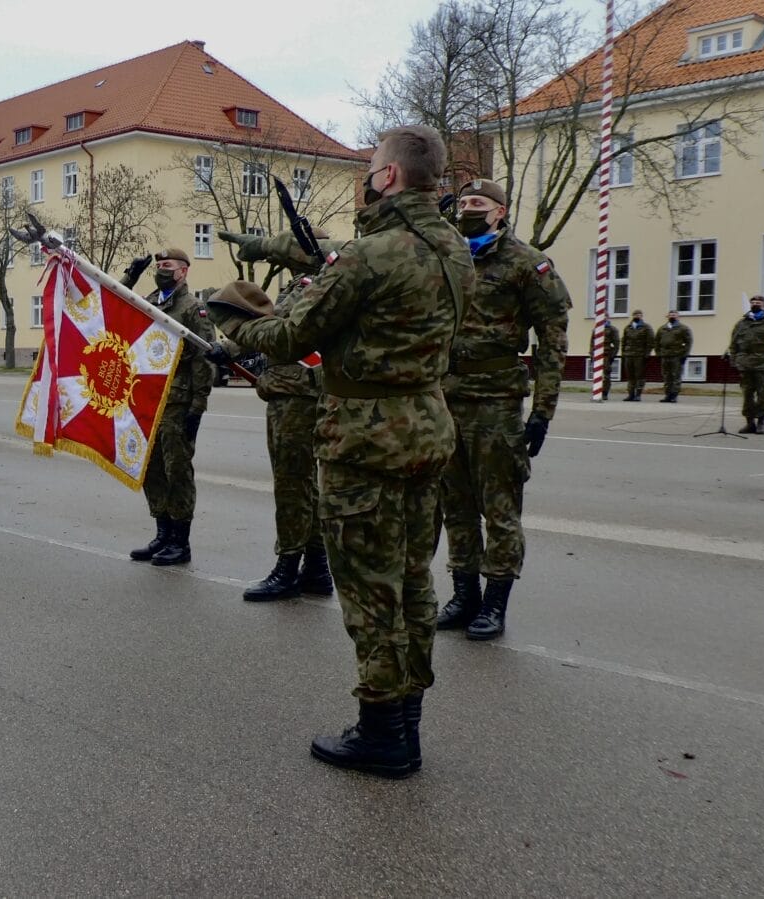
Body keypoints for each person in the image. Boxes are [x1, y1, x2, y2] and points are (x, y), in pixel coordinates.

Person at [208, 125, 473, 778]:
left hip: (366, 440)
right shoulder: (454, 248)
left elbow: (291, 337)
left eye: (372, 167)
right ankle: (406, 721)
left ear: (390, 176)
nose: (367, 177)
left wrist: (233, 319)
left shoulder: (371, 255)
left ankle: (382, 732)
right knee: (412, 581)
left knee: (370, 592)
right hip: (425, 429)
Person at [433, 179, 571, 642]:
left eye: (478, 203)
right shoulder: (449, 256)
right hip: (447, 397)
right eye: (464, 202)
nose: (468, 209)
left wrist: (543, 410)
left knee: (500, 509)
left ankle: (495, 603)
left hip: (496, 402)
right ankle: (464, 594)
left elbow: (553, 340)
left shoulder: (527, 263)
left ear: (500, 211)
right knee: (455, 505)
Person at [216, 229, 337, 602]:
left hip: (299, 395)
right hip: (288, 391)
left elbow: (284, 330)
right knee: (303, 485)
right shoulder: (300, 285)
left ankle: (288, 566)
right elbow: (273, 327)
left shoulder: (319, 284)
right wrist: (230, 349)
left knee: (292, 484)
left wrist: (233, 344)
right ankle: (316, 567)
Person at [118, 247, 217, 567]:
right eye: (159, 265)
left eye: (168, 265)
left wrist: (197, 407)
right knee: (152, 467)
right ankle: (162, 532)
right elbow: (117, 304)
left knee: (177, 470)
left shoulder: (193, 308)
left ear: (183, 271)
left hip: (178, 401)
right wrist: (131, 275)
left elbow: (203, 360)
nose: (161, 269)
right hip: (147, 399)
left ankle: (180, 540)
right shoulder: (151, 302)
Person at [728, 295, 764, 434]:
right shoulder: (742, 323)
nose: (755, 304)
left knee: (762, 394)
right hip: (744, 363)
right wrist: (734, 359)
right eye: (753, 302)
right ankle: (749, 423)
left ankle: (761, 423)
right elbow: (733, 343)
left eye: (758, 302)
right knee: (747, 394)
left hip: (762, 363)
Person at [655, 310, 693, 402]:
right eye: (671, 315)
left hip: (677, 355)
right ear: (667, 316)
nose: (672, 316)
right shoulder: (662, 328)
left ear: (678, 317)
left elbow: (688, 342)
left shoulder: (683, 328)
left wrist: (685, 354)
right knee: (666, 376)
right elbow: (656, 342)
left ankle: (674, 395)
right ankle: (667, 395)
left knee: (676, 376)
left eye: (674, 315)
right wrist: (658, 353)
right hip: (665, 355)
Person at [620, 309, 653, 401]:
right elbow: (624, 341)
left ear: (641, 316)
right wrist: (623, 353)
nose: (637, 316)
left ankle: (638, 394)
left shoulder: (646, 327)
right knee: (630, 376)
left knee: (639, 375)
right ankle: (631, 394)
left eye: (639, 315)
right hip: (628, 354)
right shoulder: (628, 327)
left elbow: (650, 342)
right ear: (633, 316)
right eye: (635, 315)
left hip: (640, 355)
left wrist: (647, 354)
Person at [600, 317, 620, 400]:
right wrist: (592, 354)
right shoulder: (597, 328)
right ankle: (597, 391)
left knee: (606, 376)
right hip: (598, 355)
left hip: (607, 355)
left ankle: (604, 393)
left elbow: (616, 343)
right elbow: (592, 342)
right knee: (597, 375)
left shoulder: (612, 329)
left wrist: (612, 356)